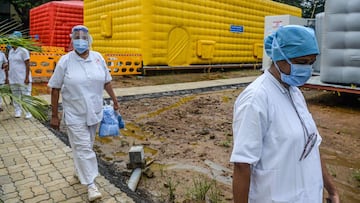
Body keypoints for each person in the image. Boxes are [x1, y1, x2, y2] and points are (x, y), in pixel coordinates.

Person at [230, 25, 340, 203]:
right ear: (279, 57)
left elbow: (312, 145)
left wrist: (332, 190)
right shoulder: (256, 98)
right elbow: (242, 165)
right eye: (301, 62)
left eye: (311, 63)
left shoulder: (294, 92)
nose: (307, 70)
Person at [48, 25, 119, 201]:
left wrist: (115, 100)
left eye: (83, 36)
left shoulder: (98, 58)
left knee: (85, 146)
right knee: (85, 148)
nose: (80, 40)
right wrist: (55, 115)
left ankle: (80, 171)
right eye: (77, 36)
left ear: (89, 39)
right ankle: (91, 185)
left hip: (95, 112)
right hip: (74, 113)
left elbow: (106, 81)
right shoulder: (65, 61)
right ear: (72, 40)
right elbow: (55, 89)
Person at [7, 31, 32, 119]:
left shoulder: (23, 51)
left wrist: (27, 77)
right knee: (15, 96)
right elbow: (10, 65)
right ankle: (18, 111)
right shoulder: (10, 51)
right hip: (13, 78)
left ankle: (28, 112)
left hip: (23, 78)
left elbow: (27, 65)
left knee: (26, 95)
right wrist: (8, 77)